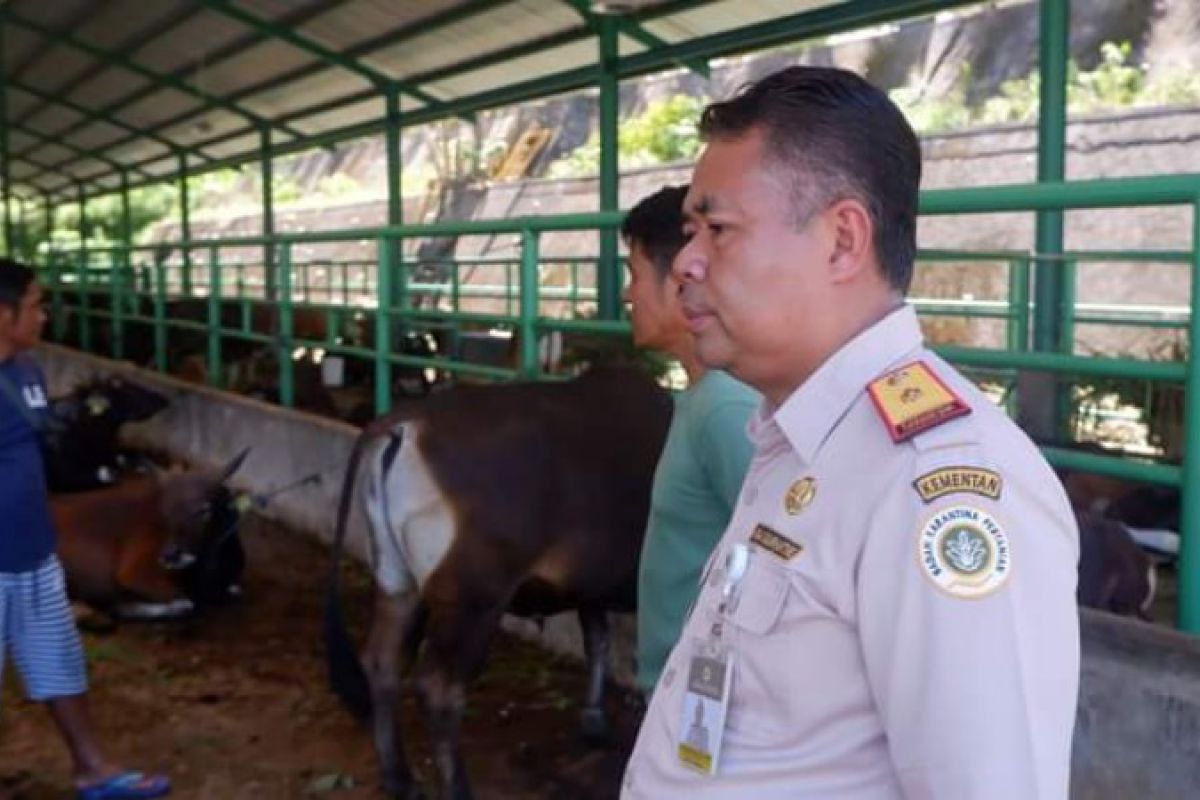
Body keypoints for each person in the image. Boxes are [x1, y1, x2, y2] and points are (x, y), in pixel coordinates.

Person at [622, 67, 1080, 799]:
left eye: (716, 229)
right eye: (688, 233)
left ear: (842, 240)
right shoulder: (797, 437)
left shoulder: (936, 484)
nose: (687, 264)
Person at [0, 257, 171, 800]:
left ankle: (91, 767)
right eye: (34, 305)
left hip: (34, 552)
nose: (44, 315)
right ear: (1, 314)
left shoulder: (27, 372)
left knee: (60, 660)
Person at [621, 187, 759, 696]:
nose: (627, 294)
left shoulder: (726, 410)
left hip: (701, 699)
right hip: (680, 691)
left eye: (634, 275)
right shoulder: (702, 399)